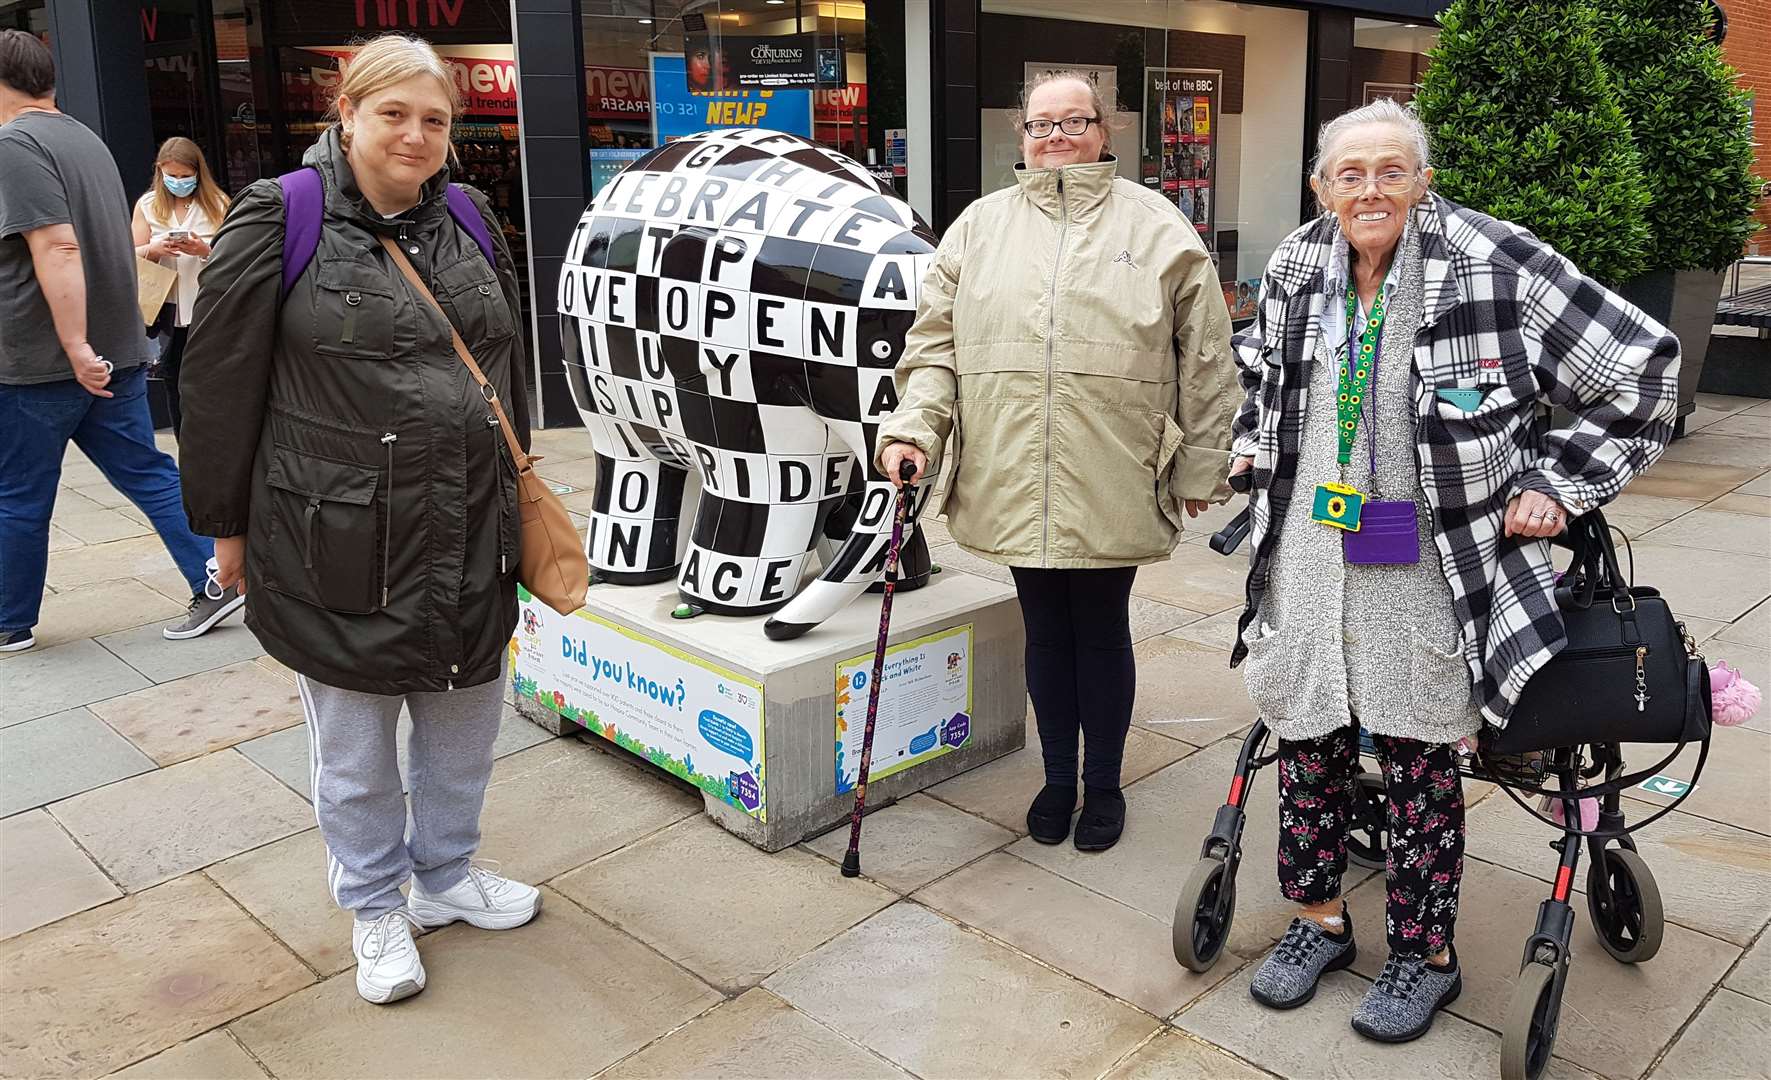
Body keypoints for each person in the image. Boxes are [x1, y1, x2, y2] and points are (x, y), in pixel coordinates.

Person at [1229, 98, 1678, 1042]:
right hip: (1312, 554)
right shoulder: (1295, 262)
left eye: (1392, 171)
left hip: (1433, 560)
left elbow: (1644, 367)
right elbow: (1260, 371)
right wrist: (1248, 446)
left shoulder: (1491, 258)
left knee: (1418, 757)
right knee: (1305, 737)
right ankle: (1316, 921)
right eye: (1348, 174)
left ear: (1423, 179)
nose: (1370, 191)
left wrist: (1560, 482)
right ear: (1320, 186)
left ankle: (1422, 954)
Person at [177, 33, 538, 1006]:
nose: (416, 135)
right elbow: (216, 386)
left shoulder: (468, 213)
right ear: (346, 114)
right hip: (335, 540)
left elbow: (504, 359)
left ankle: (447, 874)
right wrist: (225, 532)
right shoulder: (279, 215)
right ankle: (377, 903)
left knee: (466, 720)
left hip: (470, 527)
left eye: (435, 119)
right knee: (358, 747)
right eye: (395, 114)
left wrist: (525, 481)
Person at [877, 71, 1238, 853]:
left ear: (1104, 132)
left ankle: (1103, 785)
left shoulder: (1158, 226)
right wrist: (914, 430)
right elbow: (933, 348)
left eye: (1074, 122)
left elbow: (1207, 357)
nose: (1057, 137)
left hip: (1114, 463)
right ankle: (1056, 778)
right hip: (1010, 462)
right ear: (1021, 135)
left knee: (1101, 629)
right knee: (1044, 630)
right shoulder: (977, 227)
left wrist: (1202, 466)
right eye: (1042, 124)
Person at [0, 29, 242, 655]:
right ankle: (214, 577)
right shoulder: (85, 140)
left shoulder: (15, 145)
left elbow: (56, 245)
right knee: (149, 472)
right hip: (117, 349)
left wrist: (75, 345)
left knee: (20, 493)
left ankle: (9, 620)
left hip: (47, 359)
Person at [132, 136, 228, 439]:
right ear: (160, 171)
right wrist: (157, 248)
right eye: (172, 176)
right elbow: (130, 254)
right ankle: (184, 442)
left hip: (206, 304)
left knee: (211, 379)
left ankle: (215, 442)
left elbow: (235, 254)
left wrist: (203, 249)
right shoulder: (148, 206)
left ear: (198, 173)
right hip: (168, 307)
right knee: (174, 378)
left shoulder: (217, 203)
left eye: (185, 177)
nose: (178, 182)